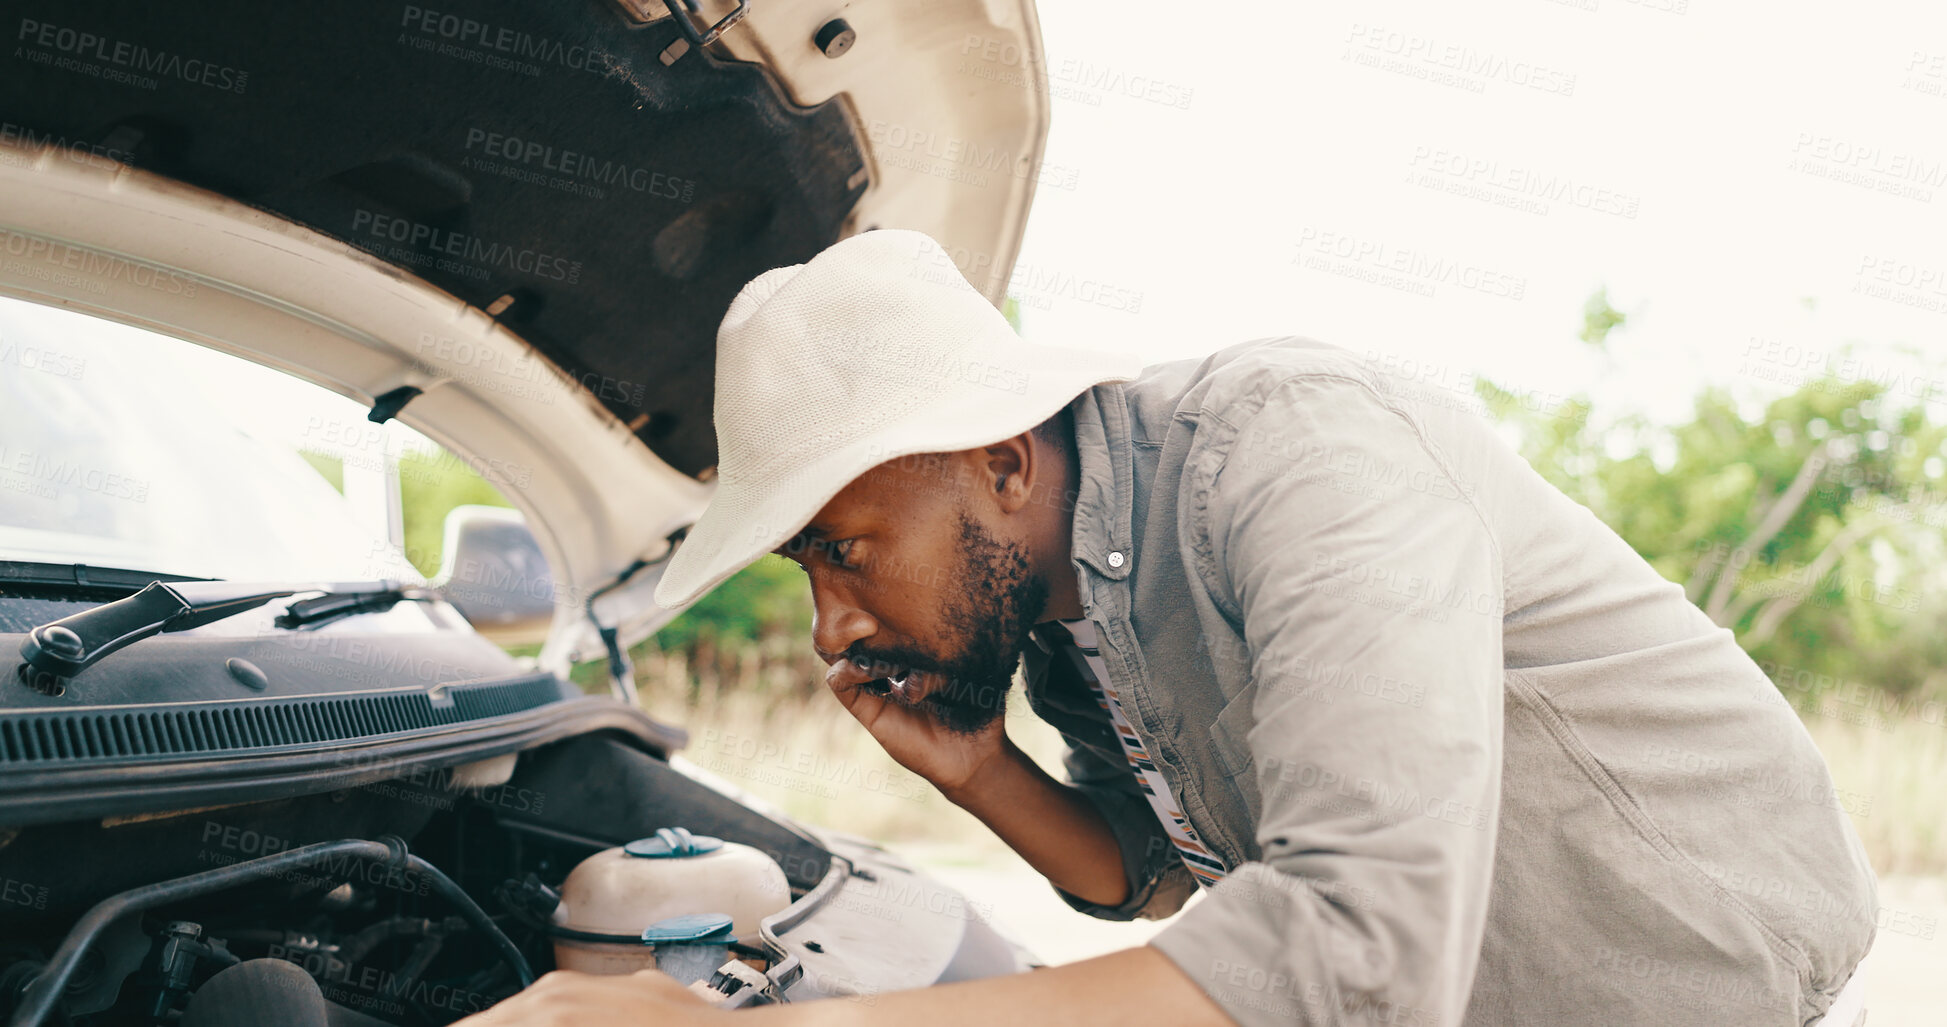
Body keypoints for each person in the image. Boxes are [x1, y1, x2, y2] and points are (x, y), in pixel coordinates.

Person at [462, 229, 1877, 1026]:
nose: (833, 621)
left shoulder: (1302, 458)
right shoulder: (1065, 599)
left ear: (1003, 463)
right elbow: (1165, 883)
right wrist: (980, 775)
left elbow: (1350, 953)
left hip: (1709, 981)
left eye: (845, 549)